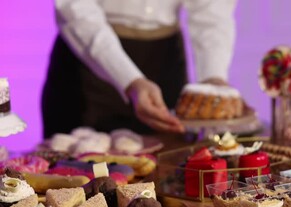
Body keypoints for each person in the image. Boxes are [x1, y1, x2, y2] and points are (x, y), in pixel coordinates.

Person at [42, 0, 237, 138]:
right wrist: (129, 79)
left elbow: (212, 11)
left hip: (164, 60)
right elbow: (75, 7)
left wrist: (214, 78)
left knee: (165, 174)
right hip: (88, 63)